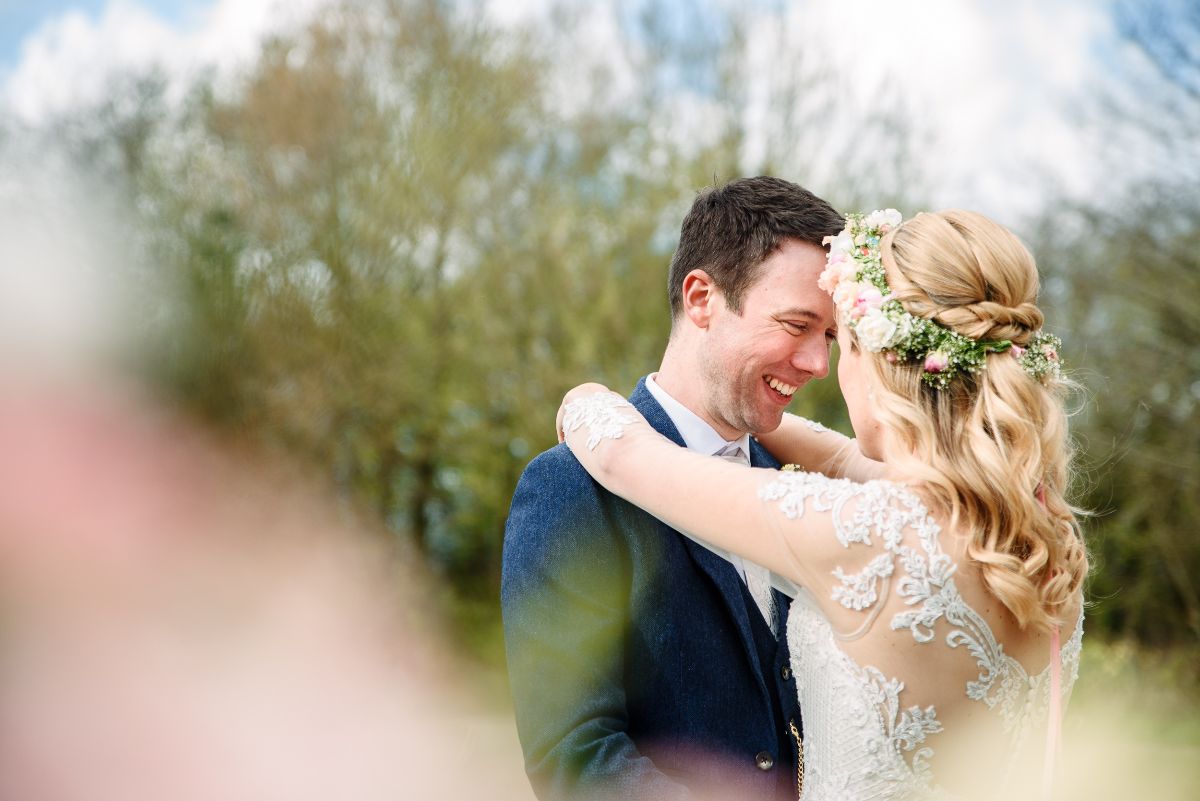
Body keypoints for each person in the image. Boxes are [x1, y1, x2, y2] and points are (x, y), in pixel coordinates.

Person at [555, 209, 1088, 800]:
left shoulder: (863, 532)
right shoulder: (1039, 535)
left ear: (881, 356)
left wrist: (584, 395)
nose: (821, 366)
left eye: (840, 341)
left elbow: (621, 455)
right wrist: (755, 409)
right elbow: (841, 457)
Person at [502, 176, 846, 800]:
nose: (819, 364)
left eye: (830, 336)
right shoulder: (570, 487)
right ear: (701, 298)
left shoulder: (807, 486)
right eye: (797, 324)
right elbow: (574, 756)